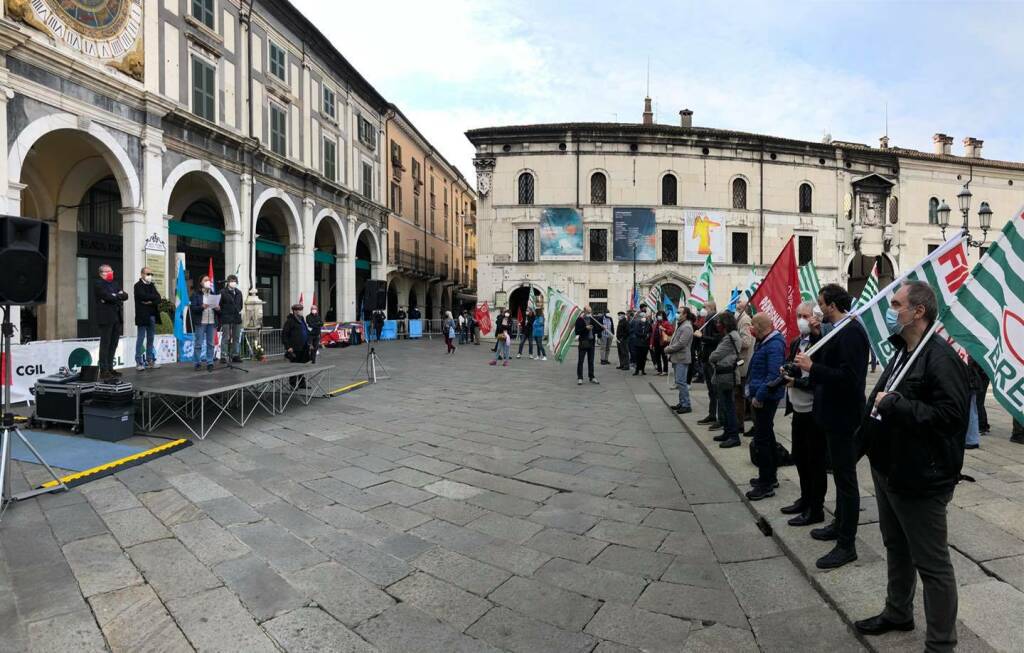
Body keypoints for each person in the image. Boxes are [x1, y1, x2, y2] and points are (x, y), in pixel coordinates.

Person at [854, 281, 968, 651]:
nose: (891, 310)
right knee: (896, 546)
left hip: (922, 478)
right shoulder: (903, 350)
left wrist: (898, 405)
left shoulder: (940, 357)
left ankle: (941, 644)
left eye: (896, 304)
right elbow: (879, 402)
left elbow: (951, 417)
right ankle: (898, 611)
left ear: (918, 311)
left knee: (933, 565)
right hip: (890, 470)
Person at [794, 283, 869, 570]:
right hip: (830, 414)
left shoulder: (851, 331)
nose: (817, 310)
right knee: (838, 475)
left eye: (821, 305)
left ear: (832, 305)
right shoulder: (835, 329)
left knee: (846, 480)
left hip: (844, 416)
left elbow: (849, 378)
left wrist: (812, 368)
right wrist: (815, 336)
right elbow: (828, 361)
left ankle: (846, 544)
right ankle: (838, 524)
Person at [781, 301, 826, 527]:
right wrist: (786, 369)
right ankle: (805, 498)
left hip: (813, 410)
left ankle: (815, 508)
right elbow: (792, 364)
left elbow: (820, 378)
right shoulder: (797, 341)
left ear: (815, 317)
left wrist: (796, 381)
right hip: (797, 408)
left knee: (814, 461)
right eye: (798, 315)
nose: (801, 320)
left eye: (805, 316)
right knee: (799, 457)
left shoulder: (822, 342)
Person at [745, 313, 786, 500]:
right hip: (760, 395)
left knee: (762, 440)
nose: (751, 329)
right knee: (767, 436)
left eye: (753, 325)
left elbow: (773, 375)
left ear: (761, 326)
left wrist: (760, 395)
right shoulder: (765, 342)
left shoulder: (775, 344)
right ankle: (769, 476)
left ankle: (766, 484)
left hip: (766, 398)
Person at [708, 312, 742, 447]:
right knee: (726, 404)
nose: (717, 325)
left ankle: (733, 436)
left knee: (729, 406)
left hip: (727, 375)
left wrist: (712, 357)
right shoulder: (731, 336)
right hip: (725, 374)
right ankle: (728, 432)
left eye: (719, 322)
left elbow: (715, 356)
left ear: (725, 323)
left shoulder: (730, 337)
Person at [95, 264, 129, 380]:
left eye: (111, 271)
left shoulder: (114, 283)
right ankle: (103, 370)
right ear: (101, 273)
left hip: (116, 317)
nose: (111, 273)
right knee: (105, 344)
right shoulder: (98, 283)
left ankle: (110, 368)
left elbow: (125, 295)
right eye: (108, 271)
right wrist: (116, 296)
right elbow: (106, 296)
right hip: (106, 317)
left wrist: (115, 296)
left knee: (113, 344)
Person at [696, 302, 722, 426]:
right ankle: (712, 414)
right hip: (706, 357)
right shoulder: (708, 319)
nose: (702, 310)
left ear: (711, 308)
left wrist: (702, 337)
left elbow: (717, 339)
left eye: (704, 307)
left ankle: (718, 417)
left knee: (715, 389)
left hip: (712, 358)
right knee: (711, 390)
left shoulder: (714, 319)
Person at [665, 307, 694, 414]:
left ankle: (686, 404)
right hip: (677, 357)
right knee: (679, 381)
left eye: (679, 313)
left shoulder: (686, 327)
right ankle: (682, 402)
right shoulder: (681, 325)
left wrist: (668, 349)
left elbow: (682, 343)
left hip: (681, 358)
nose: (677, 314)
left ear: (685, 314)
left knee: (681, 382)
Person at [132, 266, 160, 372]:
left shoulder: (152, 285)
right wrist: (152, 298)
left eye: (151, 274)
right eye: (148, 274)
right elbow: (142, 296)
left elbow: (158, 298)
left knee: (151, 338)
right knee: (141, 338)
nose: (150, 276)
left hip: (152, 315)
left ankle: (150, 360)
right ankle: (138, 362)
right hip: (142, 316)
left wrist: (151, 302)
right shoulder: (137, 286)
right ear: (142, 274)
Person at [734, 299, 756, 434]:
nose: (736, 309)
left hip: (744, 362)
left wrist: (732, 340)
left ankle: (749, 424)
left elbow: (746, 342)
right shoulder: (741, 319)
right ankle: (739, 424)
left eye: (738, 308)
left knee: (743, 395)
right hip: (741, 362)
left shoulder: (745, 320)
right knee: (739, 396)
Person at [189, 275, 218, 372]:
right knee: (198, 343)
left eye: (209, 280)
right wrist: (202, 306)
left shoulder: (213, 294)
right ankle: (197, 363)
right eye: (205, 280)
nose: (208, 282)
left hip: (211, 321)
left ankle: (210, 362)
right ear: (201, 283)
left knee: (211, 344)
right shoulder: (196, 294)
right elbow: (193, 308)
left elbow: (217, 308)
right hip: (201, 322)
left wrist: (218, 308)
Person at [218, 274, 244, 363]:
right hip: (226, 318)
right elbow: (219, 305)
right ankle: (223, 356)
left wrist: (237, 311)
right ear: (228, 282)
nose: (233, 283)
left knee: (236, 338)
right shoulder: (222, 292)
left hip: (236, 318)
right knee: (226, 337)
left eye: (235, 281)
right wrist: (223, 313)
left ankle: (235, 355)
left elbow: (240, 305)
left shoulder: (239, 292)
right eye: (232, 281)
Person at [575, 306, 603, 385]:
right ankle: (580, 378)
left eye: (590, 312)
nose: (589, 314)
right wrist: (585, 328)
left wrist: (602, 328)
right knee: (581, 361)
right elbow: (577, 332)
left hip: (591, 343)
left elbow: (596, 330)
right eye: (588, 312)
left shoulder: (592, 319)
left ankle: (592, 377)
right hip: (583, 343)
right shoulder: (579, 320)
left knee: (591, 361)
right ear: (584, 311)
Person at [968, 357, 990, 436]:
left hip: (979, 379)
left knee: (978, 403)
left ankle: (982, 426)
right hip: (982, 377)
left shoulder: (976, 352)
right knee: (979, 403)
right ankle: (983, 425)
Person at [650, 310, 674, 376]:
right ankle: (659, 370)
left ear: (663, 316)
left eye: (660, 315)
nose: (659, 317)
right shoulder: (656, 323)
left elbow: (671, 332)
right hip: (656, 342)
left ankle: (665, 371)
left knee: (664, 357)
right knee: (657, 357)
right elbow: (653, 334)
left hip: (663, 343)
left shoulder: (666, 323)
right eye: (658, 315)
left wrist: (664, 329)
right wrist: (651, 343)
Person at [629, 311, 651, 375]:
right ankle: (637, 370)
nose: (644, 318)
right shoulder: (637, 323)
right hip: (638, 343)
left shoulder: (648, 324)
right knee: (638, 357)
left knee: (643, 358)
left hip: (645, 344)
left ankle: (643, 370)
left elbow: (650, 331)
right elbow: (636, 332)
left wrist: (648, 335)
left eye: (645, 317)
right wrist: (644, 335)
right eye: (642, 317)